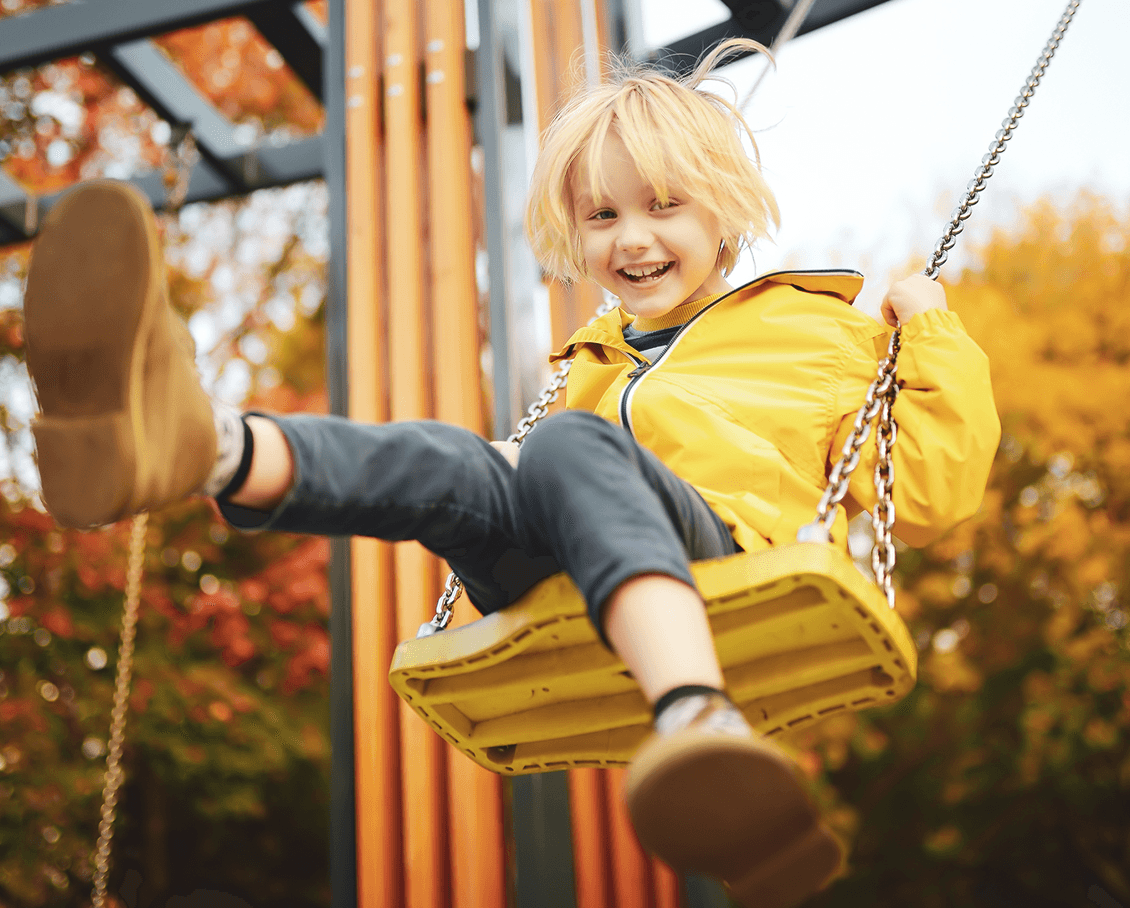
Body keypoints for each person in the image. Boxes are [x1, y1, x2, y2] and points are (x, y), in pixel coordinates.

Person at [23, 39, 999, 908]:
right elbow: (521, 479)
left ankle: (697, 714)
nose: (631, 238)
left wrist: (929, 330)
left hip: (718, 565)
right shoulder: (587, 359)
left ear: (725, 212)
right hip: (554, 576)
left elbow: (926, 498)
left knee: (563, 449)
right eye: (602, 213)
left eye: (663, 206)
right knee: (457, 458)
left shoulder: (813, 329)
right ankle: (199, 445)